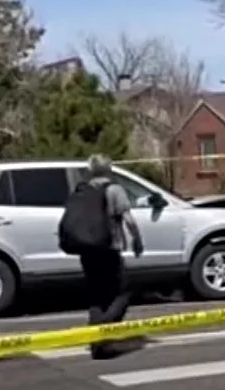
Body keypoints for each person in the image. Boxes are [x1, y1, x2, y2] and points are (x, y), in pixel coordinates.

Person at [79, 154, 144, 359]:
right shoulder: (114, 190)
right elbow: (128, 219)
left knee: (97, 297)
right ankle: (102, 332)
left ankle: (98, 342)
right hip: (109, 250)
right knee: (123, 293)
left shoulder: (83, 190)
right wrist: (137, 240)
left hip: (87, 251)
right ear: (108, 169)